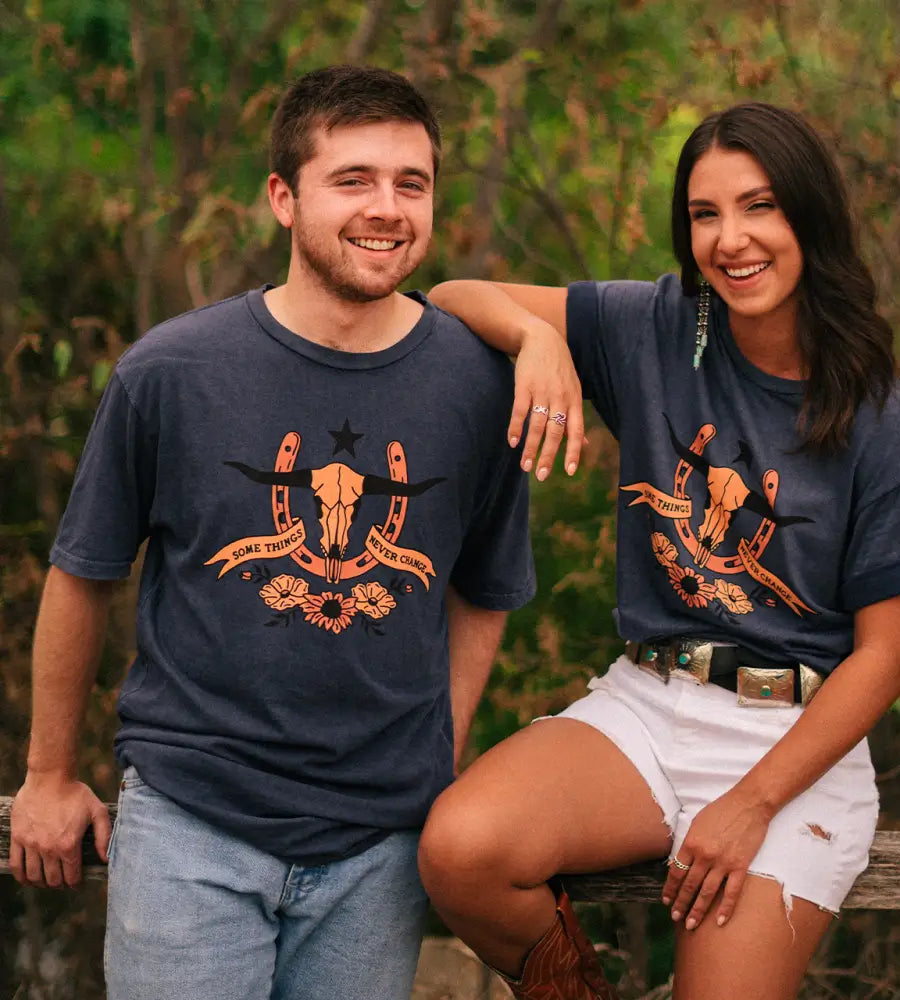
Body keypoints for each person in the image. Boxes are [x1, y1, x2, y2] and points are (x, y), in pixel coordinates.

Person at [8, 65, 535, 1000]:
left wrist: (434, 754)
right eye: (354, 180)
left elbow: (487, 589)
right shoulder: (171, 372)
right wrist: (48, 775)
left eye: (411, 183)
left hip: (380, 848)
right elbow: (82, 573)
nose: (388, 208)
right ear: (283, 199)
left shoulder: (481, 385)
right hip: (191, 825)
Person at [417, 102, 900, 1000]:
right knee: (460, 851)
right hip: (649, 703)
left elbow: (888, 657)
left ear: (809, 217)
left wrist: (750, 804)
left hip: (795, 742)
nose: (731, 239)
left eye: (760, 207)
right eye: (705, 215)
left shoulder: (886, 423)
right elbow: (450, 298)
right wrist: (538, 338)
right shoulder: (656, 329)